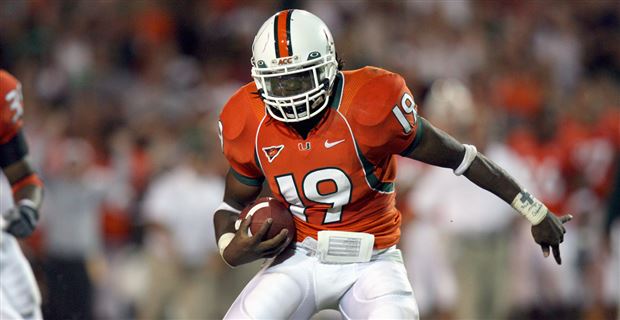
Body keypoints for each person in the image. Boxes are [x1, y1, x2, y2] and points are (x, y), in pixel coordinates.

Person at [213, 9, 571, 319]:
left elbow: (461, 157)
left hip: (373, 261)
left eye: (300, 79)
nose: (290, 94)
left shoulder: (371, 103)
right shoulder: (248, 118)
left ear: (329, 66)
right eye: (279, 83)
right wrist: (231, 247)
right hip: (298, 257)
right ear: (259, 82)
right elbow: (231, 202)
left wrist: (535, 211)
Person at [0, 69, 45, 320]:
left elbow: (24, 177)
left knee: (28, 312)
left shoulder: (1, 92)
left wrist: (28, 206)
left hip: (0, 242)